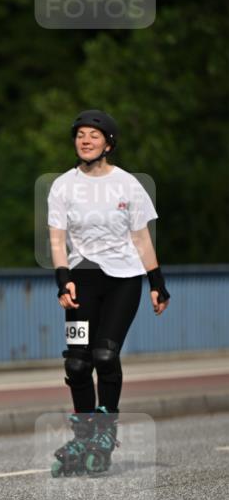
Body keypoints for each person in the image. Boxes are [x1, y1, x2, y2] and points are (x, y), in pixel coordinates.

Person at [46, 109, 170, 476]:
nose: (85, 140)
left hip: (123, 279)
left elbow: (141, 238)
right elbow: (57, 240)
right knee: (77, 362)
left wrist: (157, 283)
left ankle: (105, 431)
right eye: (80, 134)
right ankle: (84, 434)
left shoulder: (128, 184)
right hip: (81, 278)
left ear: (108, 144)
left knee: (104, 354)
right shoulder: (62, 186)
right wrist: (62, 279)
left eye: (94, 135)